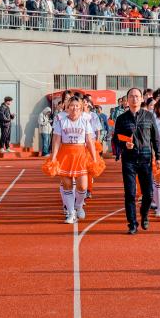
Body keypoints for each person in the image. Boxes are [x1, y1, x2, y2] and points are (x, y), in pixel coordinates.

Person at [112, 88, 160, 234]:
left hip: (146, 159)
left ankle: (144, 214)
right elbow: (116, 139)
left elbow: (155, 138)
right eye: (131, 96)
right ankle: (132, 223)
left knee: (149, 193)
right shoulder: (121, 119)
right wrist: (124, 144)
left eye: (137, 96)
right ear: (127, 100)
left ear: (141, 99)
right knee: (130, 193)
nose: (134, 99)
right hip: (129, 160)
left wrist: (158, 157)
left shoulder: (149, 116)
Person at [50, 96, 100, 224]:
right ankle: (71, 213)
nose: (74, 108)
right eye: (72, 105)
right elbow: (56, 140)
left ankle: (78, 206)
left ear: (81, 107)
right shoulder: (61, 121)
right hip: (65, 155)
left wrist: (94, 158)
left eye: (77, 106)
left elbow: (89, 141)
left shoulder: (85, 121)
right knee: (67, 185)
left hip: (81, 154)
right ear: (67, 107)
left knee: (82, 186)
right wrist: (53, 157)